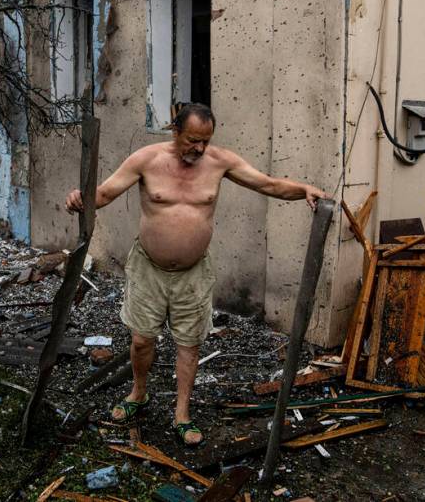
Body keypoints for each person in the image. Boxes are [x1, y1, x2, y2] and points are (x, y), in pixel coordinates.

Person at [65, 103, 327, 446]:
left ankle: (182, 414)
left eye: (205, 141)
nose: (199, 149)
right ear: (175, 131)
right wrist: (79, 198)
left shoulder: (220, 162)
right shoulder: (146, 159)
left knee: (189, 344)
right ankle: (138, 394)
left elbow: (270, 185)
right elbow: (105, 193)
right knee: (142, 339)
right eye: (192, 140)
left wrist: (303, 189)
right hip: (148, 269)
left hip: (193, 273)